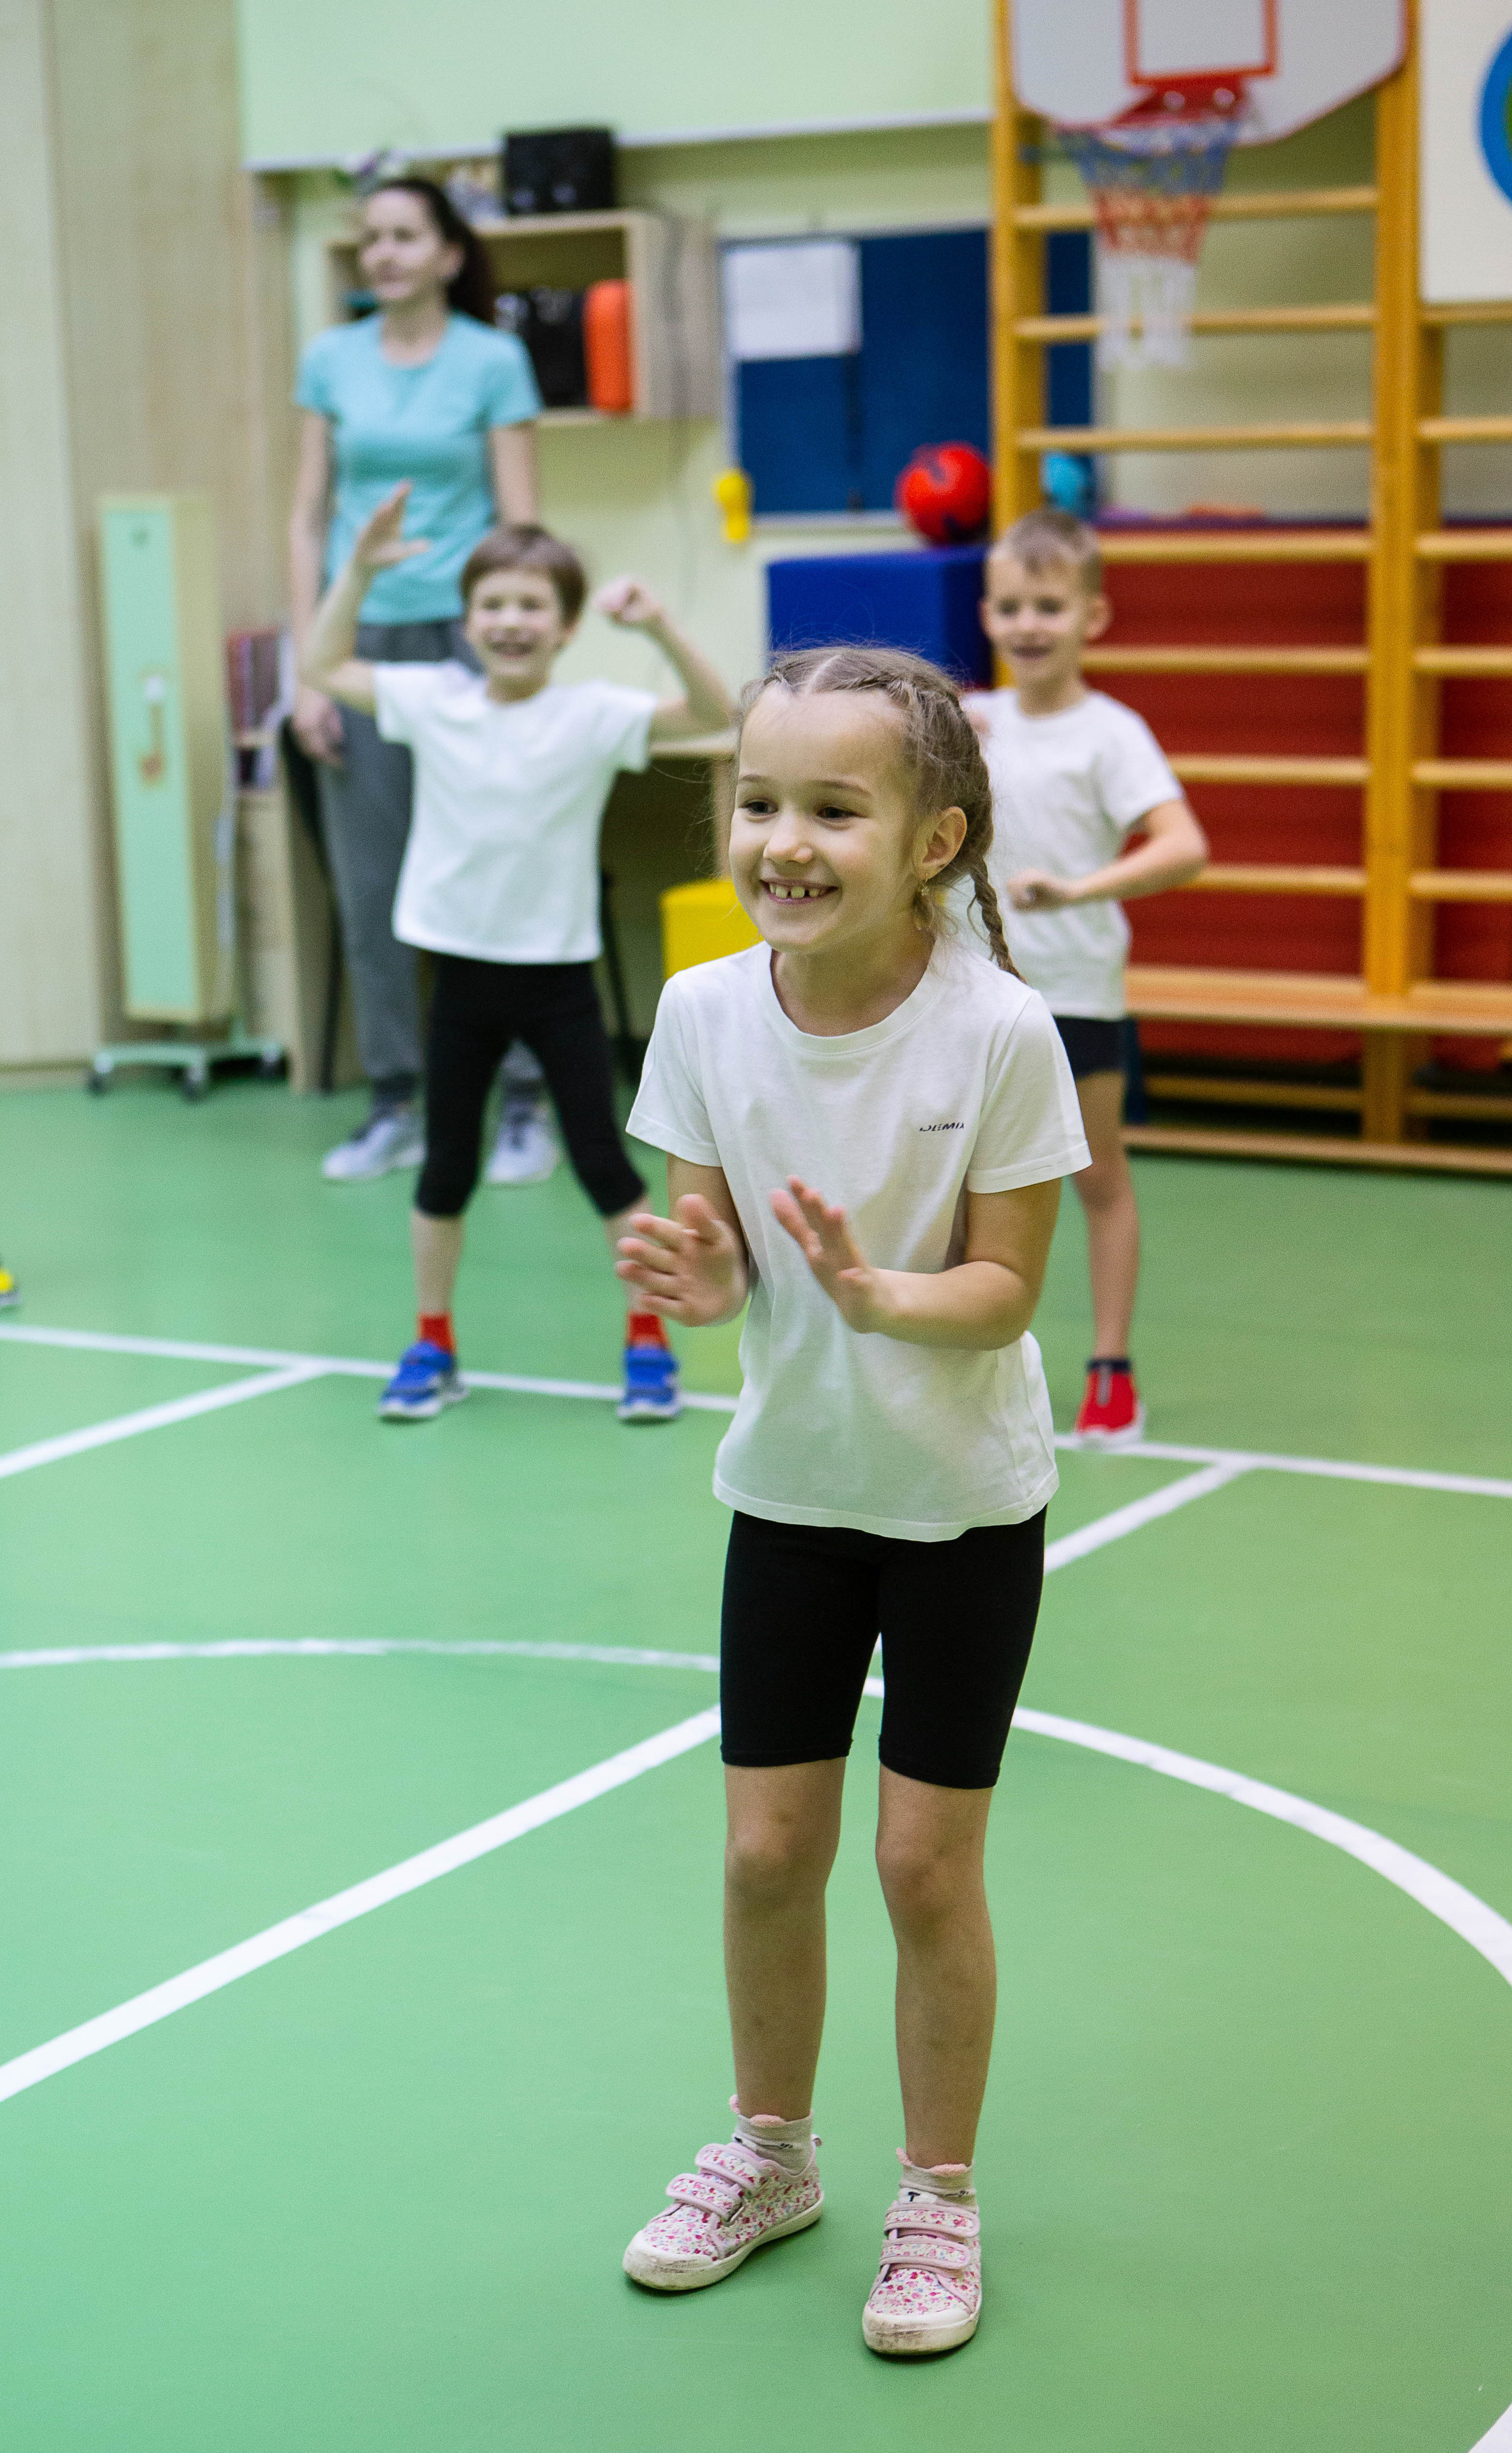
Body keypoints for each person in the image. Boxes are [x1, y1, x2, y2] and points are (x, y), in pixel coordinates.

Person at [615, 646, 1090, 2356]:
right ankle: (771, 2156)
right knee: (764, 1853)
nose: (783, 841)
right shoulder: (702, 1011)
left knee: (918, 1867)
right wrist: (685, 1273)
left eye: (833, 806)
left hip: (962, 1502)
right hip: (796, 1488)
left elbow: (1011, 1291)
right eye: (757, 802)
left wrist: (889, 1297)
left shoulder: (1003, 1032)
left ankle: (941, 2198)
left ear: (937, 840)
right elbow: (716, 1258)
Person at [300, 487, 735, 1423]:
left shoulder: (592, 715)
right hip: (459, 980)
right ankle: (432, 1340)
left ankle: (647, 1344)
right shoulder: (432, 700)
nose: (510, 621)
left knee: (605, 1170)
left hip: (558, 984)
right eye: (493, 604)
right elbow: (321, 662)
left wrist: (659, 624)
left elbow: (712, 708)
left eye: (532, 605)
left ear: (567, 626)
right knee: (444, 1172)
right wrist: (362, 570)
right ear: (467, 620)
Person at [290, 174, 558, 1188]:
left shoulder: (494, 361)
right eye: (372, 239)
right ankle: (395, 1100)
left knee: (498, 861)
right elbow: (307, 518)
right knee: (372, 881)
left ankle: (525, 1099)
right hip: (357, 638)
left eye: (405, 236)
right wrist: (307, 671)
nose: (384, 254)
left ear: (449, 253)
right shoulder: (329, 360)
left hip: (469, 637)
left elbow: (521, 525)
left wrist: (520, 650)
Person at [971, 508, 1208, 1446]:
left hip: (1077, 992)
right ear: (987, 615)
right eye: (1010, 606)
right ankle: (964, 1352)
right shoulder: (971, 722)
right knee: (961, 1177)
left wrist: (1077, 889)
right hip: (978, 993)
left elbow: (1185, 846)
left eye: (1049, 606)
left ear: (1092, 618)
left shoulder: (1114, 733)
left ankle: (1110, 1368)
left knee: (1096, 1178)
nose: (1029, 624)